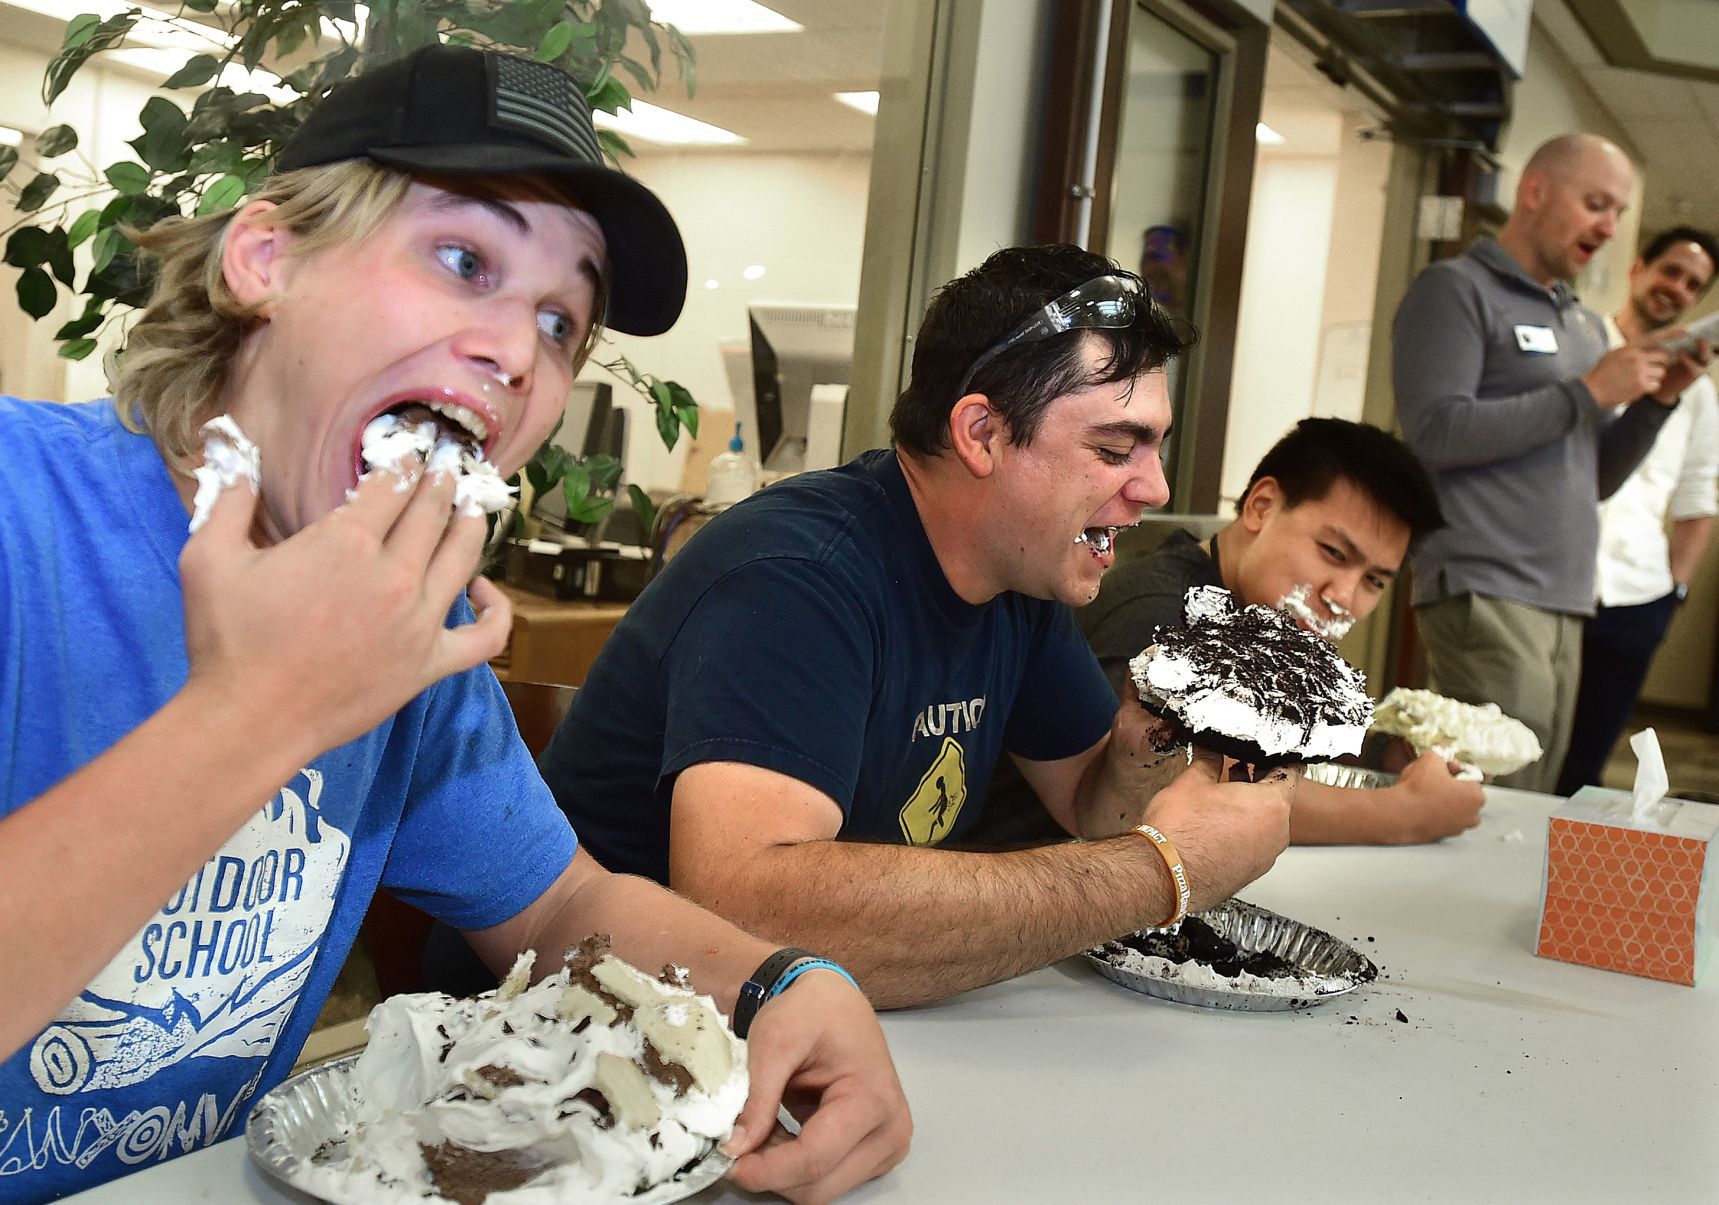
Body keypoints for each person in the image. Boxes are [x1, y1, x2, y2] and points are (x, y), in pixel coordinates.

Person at [0, 45, 909, 1203]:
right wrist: (262, 710)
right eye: (464, 258)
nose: (520, 353)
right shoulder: (20, 511)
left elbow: (562, 901)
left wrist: (780, 981)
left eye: (561, 321)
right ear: (266, 257)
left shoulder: (401, 626)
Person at [535, 245, 1298, 1012]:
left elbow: (1090, 804)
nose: (1153, 487)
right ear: (982, 434)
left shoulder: (1018, 576)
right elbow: (745, 914)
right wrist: (1161, 871)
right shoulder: (797, 577)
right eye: (1112, 449)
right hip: (573, 1035)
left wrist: (1137, 757)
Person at [974, 417, 1484, 848]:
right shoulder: (1160, 615)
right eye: (1333, 554)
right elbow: (1168, 784)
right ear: (1261, 506)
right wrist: (1404, 815)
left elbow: (1262, 743)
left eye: (1374, 581)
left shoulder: (1257, 630)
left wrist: (1383, 754)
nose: (1344, 597)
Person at [1391, 133, 1712, 793]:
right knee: (1492, 799)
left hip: (1564, 596)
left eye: (1618, 212)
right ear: (1533, 190)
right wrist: (1587, 392)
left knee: (1536, 794)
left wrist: (1655, 402)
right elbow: (1434, 432)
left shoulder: (1583, 327)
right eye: (1596, 203)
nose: (1608, 225)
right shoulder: (1455, 290)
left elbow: (1591, 476)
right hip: (1486, 584)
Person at [1556, 227, 1719, 794]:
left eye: (1693, 283)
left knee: (1585, 770)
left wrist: (1673, 594)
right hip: (1552, 582)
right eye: (1670, 270)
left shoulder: (1697, 393)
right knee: (1517, 751)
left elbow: (1701, 498)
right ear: (1638, 268)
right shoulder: (1579, 346)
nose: (1677, 287)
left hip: (1636, 599)